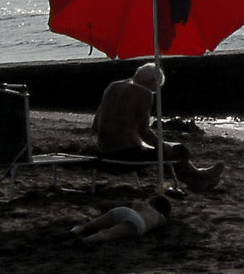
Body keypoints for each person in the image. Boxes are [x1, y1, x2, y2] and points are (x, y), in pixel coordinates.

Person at [94, 63, 222, 192]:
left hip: (104, 152)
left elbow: (95, 124)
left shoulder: (113, 87)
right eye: (155, 89)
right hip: (127, 155)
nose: (154, 92)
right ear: (152, 81)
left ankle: (196, 178)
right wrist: (162, 145)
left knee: (165, 149)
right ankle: (200, 177)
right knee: (178, 149)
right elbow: (144, 132)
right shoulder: (143, 93)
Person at [71, 193, 174, 245]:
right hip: (138, 223)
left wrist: (105, 203)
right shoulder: (161, 219)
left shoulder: (143, 204)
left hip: (124, 211)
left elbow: (119, 204)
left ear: (153, 201)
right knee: (107, 233)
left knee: (89, 225)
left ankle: (74, 231)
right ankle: (84, 241)